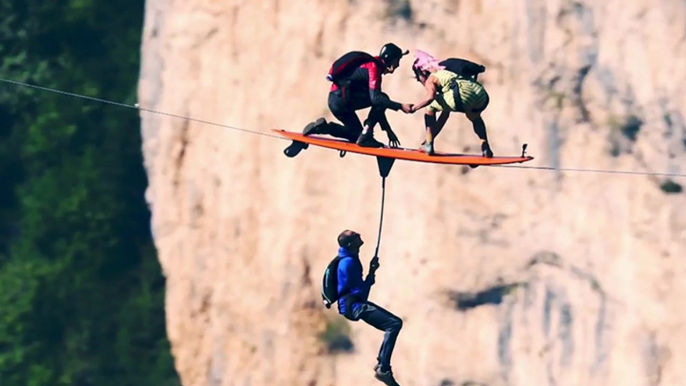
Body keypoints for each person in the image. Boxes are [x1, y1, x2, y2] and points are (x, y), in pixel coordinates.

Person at [284, 43, 414, 157]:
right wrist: (400, 106)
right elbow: (376, 100)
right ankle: (367, 135)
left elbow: (377, 103)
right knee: (381, 98)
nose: (398, 65)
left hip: (335, 100)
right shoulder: (373, 68)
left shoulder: (370, 65)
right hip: (342, 101)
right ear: (391, 60)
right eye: (398, 60)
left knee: (355, 135)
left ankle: (324, 128)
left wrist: (388, 130)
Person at [335, 229, 403, 386]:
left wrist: (371, 271)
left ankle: (382, 365)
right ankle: (383, 368)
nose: (359, 235)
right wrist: (371, 273)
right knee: (394, 324)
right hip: (354, 306)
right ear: (351, 243)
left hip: (352, 304)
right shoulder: (349, 263)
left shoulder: (349, 257)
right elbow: (361, 293)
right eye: (355, 236)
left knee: (393, 324)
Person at [408, 49, 493, 157]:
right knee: (474, 116)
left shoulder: (431, 78)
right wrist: (429, 139)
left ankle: (429, 145)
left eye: (418, 78)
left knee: (429, 106)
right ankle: (485, 146)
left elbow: (430, 97)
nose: (420, 81)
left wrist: (414, 108)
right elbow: (444, 116)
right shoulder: (449, 74)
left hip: (461, 93)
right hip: (480, 94)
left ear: (423, 72)